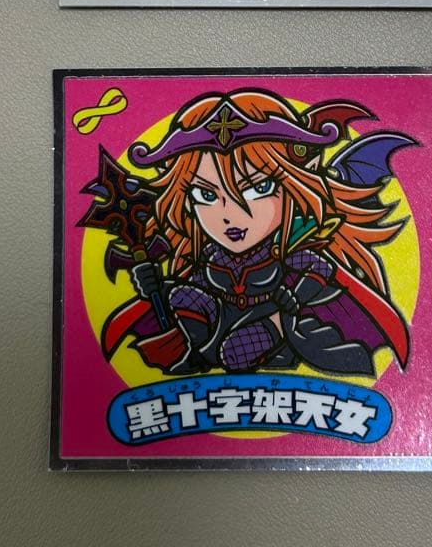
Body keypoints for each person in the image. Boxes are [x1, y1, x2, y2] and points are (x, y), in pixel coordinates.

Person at [99, 89, 414, 377]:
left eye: (258, 189)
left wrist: (294, 298)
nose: (230, 215)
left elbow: (320, 268)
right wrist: (155, 286)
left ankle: (259, 347)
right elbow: (192, 287)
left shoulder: (285, 251)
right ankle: (197, 355)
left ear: (292, 188)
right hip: (220, 320)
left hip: (272, 319)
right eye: (205, 195)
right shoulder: (208, 255)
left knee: (236, 354)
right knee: (179, 295)